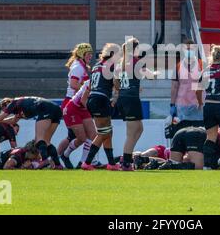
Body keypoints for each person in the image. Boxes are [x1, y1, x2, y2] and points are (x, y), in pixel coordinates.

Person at [0, 96, 63, 169]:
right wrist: (0, 121)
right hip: (57, 109)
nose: (7, 112)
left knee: (39, 139)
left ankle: (44, 160)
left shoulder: (13, 103)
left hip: (45, 109)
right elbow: (13, 120)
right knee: (46, 141)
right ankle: (58, 165)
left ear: (6, 105)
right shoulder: (19, 109)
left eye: (5, 110)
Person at [114, 37, 158, 171]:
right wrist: (156, 72)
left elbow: (116, 82)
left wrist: (124, 89)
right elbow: (151, 76)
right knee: (131, 133)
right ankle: (126, 161)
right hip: (131, 99)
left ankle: (126, 157)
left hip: (125, 98)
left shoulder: (121, 63)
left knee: (138, 129)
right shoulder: (136, 62)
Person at [82, 43, 122, 171]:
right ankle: (87, 162)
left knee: (107, 132)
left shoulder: (96, 65)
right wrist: (122, 88)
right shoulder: (111, 65)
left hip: (93, 99)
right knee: (103, 133)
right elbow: (116, 84)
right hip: (101, 99)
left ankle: (111, 163)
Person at [59, 43, 94, 168]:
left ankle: (83, 162)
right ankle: (56, 159)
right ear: (81, 54)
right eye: (88, 54)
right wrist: (86, 90)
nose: (90, 56)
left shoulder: (82, 66)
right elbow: (74, 84)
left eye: (91, 54)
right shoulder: (78, 67)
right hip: (72, 103)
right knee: (76, 137)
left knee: (91, 134)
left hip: (80, 103)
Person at [169, 39, 204, 137]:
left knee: (199, 133)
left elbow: (203, 85)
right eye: (187, 49)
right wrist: (172, 104)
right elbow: (174, 87)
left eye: (191, 49)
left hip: (198, 106)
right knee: (183, 134)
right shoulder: (178, 66)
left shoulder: (202, 65)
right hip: (182, 106)